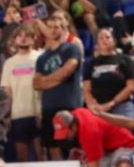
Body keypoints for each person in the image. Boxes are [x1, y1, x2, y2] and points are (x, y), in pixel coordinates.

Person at [34, 13, 83, 159]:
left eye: (57, 27)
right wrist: (57, 78)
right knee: (52, 145)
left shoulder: (71, 49)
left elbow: (67, 71)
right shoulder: (42, 58)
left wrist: (47, 80)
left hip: (69, 104)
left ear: (63, 29)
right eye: (50, 27)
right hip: (48, 106)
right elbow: (36, 84)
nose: (53, 30)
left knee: (74, 144)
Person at [1, 26, 42, 162]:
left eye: (27, 35)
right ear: (15, 40)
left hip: (38, 113)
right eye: (20, 36)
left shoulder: (41, 57)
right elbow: (7, 92)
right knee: (21, 159)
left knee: (42, 157)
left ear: (34, 38)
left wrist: (42, 111)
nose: (23, 38)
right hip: (18, 115)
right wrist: (7, 116)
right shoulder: (9, 63)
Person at [53, 109, 134, 167]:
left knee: (123, 165)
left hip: (125, 145)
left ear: (73, 126)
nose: (66, 137)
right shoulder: (76, 113)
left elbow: (94, 164)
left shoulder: (88, 131)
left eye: (66, 134)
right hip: (105, 148)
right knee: (80, 159)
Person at [83, 28, 134, 117]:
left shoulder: (125, 59)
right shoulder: (91, 63)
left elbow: (131, 87)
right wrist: (91, 104)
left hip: (121, 105)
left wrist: (112, 103)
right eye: (101, 38)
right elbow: (86, 89)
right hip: (98, 107)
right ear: (97, 44)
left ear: (114, 41)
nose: (105, 40)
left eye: (108, 37)